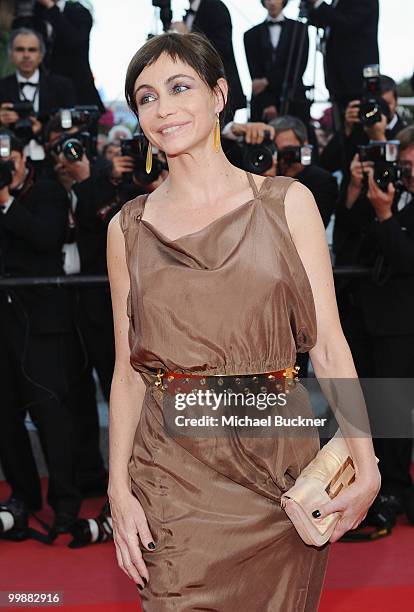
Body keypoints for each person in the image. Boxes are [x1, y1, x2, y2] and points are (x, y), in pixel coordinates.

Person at [106, 32, 380, 606]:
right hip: (173, 475)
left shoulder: (287, 203)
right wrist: (118, 491)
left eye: (179, 87)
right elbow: (127, 371)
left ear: (219, 94)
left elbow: (328, 345)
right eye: (146, 97)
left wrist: (365, 461)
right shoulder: (126, 229)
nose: (162, 108)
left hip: (278, 469)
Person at [0, 131, 83, 536]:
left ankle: (66, 503)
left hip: (42, 327)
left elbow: (47, 238)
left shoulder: (47, 191)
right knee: (5, 417)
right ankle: (22, 496)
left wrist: (7, 202)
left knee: (52, 415)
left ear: (21, 156)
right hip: (3, 324)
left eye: (6, 156)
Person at [332, 125, 414, 530]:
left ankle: (395, 489)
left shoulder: (392, 205)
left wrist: (386, 215)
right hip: (361, 320)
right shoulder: (375, 192)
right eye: (403, 165)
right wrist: (354, 188)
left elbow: (406, 260)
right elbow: (346, 236)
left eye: (411, 167)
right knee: (361, 410)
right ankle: (367, 486)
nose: (404, 174)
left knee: (395, 413)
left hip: (401, 327)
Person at [0, 27, 76, 166]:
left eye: (32, 50)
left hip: (53, 163)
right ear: (11, 55)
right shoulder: (2, 87)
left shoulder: (62, 86)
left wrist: (45, 129)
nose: (26, 55)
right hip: (10, 164)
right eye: (20, 49)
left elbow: (72, 127)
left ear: (41, 55)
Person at [173, 0, 246, 122]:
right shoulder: (190, 13)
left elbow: (222, 47)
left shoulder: (216, 7)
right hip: (197, 91)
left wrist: (187, 35)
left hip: (218, 89)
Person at [244, 0, 310, 125]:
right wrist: (267, 103)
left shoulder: (299, 29)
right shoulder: (250, 35)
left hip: (294, 99)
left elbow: (298, 68)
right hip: (263, 104)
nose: (273, 2)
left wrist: (267, 81)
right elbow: (255, 75)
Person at [308, 0, 379, 113]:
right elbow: (325, 21)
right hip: (337, 80)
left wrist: (318, 4)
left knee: (357, 122)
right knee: (341, 124)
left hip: (356, 81)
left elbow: (347, 24)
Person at [33, 0, 105, 112]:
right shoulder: (35, 12)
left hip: (79, 94)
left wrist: (52, 8)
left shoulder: (79, 11)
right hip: (45, 94)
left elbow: (74, 41)